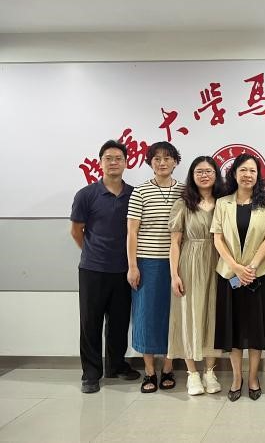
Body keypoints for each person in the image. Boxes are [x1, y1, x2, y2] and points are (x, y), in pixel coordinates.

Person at [70, 140, 140, 394]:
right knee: (91, 323)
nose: (113, 162)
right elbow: (76, 231)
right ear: (100, 162)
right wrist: (93, 253)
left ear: (126, 163)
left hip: (124, 269)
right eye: (108, 158)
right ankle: (91, 373)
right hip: (93, 270)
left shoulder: (135, 194)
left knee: (119, 322)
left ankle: (116, 365)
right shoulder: (86, 194)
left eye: (118, 158)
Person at [210, 153, 265, 402]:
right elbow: (217, 238)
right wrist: (236, 268)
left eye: (252, 171)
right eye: (243, 170)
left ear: (258, 176)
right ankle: (237, 377)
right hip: (230, 275)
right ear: (234, 174)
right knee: (234, 330)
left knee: (256, 331)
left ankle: (253, 378)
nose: (248, 175)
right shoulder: (222, 203)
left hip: (258, 275)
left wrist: (251, 267)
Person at [127, 141, 184, 393]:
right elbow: (131, 232)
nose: (162, 162)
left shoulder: (184, 190)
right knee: (146, 316)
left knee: (173, 316)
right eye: (157, 158)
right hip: (147, 263)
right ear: (150, 162)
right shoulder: (140, 192)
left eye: (167, 158)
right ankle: (149, 371)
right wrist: (132, 266)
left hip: (177, 263)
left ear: (175, 162)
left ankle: (168, 368)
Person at [167, 156, 225, 396]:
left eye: (208, 171)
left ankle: (210, 371)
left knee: (213, 314)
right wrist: (174, 275)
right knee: (189, 313)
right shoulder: (183, 203)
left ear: (216, 175)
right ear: (192, 175)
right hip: (190, 262)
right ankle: (192, 373)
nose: (204, 175)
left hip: (218, 262)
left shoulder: (224, 202)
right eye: (199, 171)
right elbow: (175, 242)